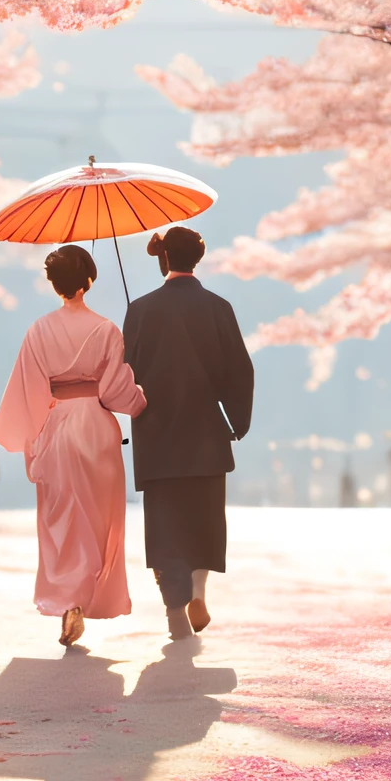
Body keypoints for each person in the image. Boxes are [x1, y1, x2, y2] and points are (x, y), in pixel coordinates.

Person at [0, 244, 147, 646]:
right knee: (98, 518)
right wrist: (139, 396)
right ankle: (84, 595)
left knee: (61, 518)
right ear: (88, 280)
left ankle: (68, 600)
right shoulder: (107, 330)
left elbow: (29, 392)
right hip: (96, 426)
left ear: (54, 283)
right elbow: (114, 391)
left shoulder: (39, 330)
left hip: (58, 425)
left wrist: (34, 440)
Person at [121, 225, 254, 641]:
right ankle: (198, 590)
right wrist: (236, 421)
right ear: (198, 258)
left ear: (165, 258)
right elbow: (239, 369)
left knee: (166, 525)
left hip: (157, 434)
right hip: (205, 434)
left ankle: (175, 611)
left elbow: (126, 373)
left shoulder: (140, 310)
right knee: (204, 520)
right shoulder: (218, 307)